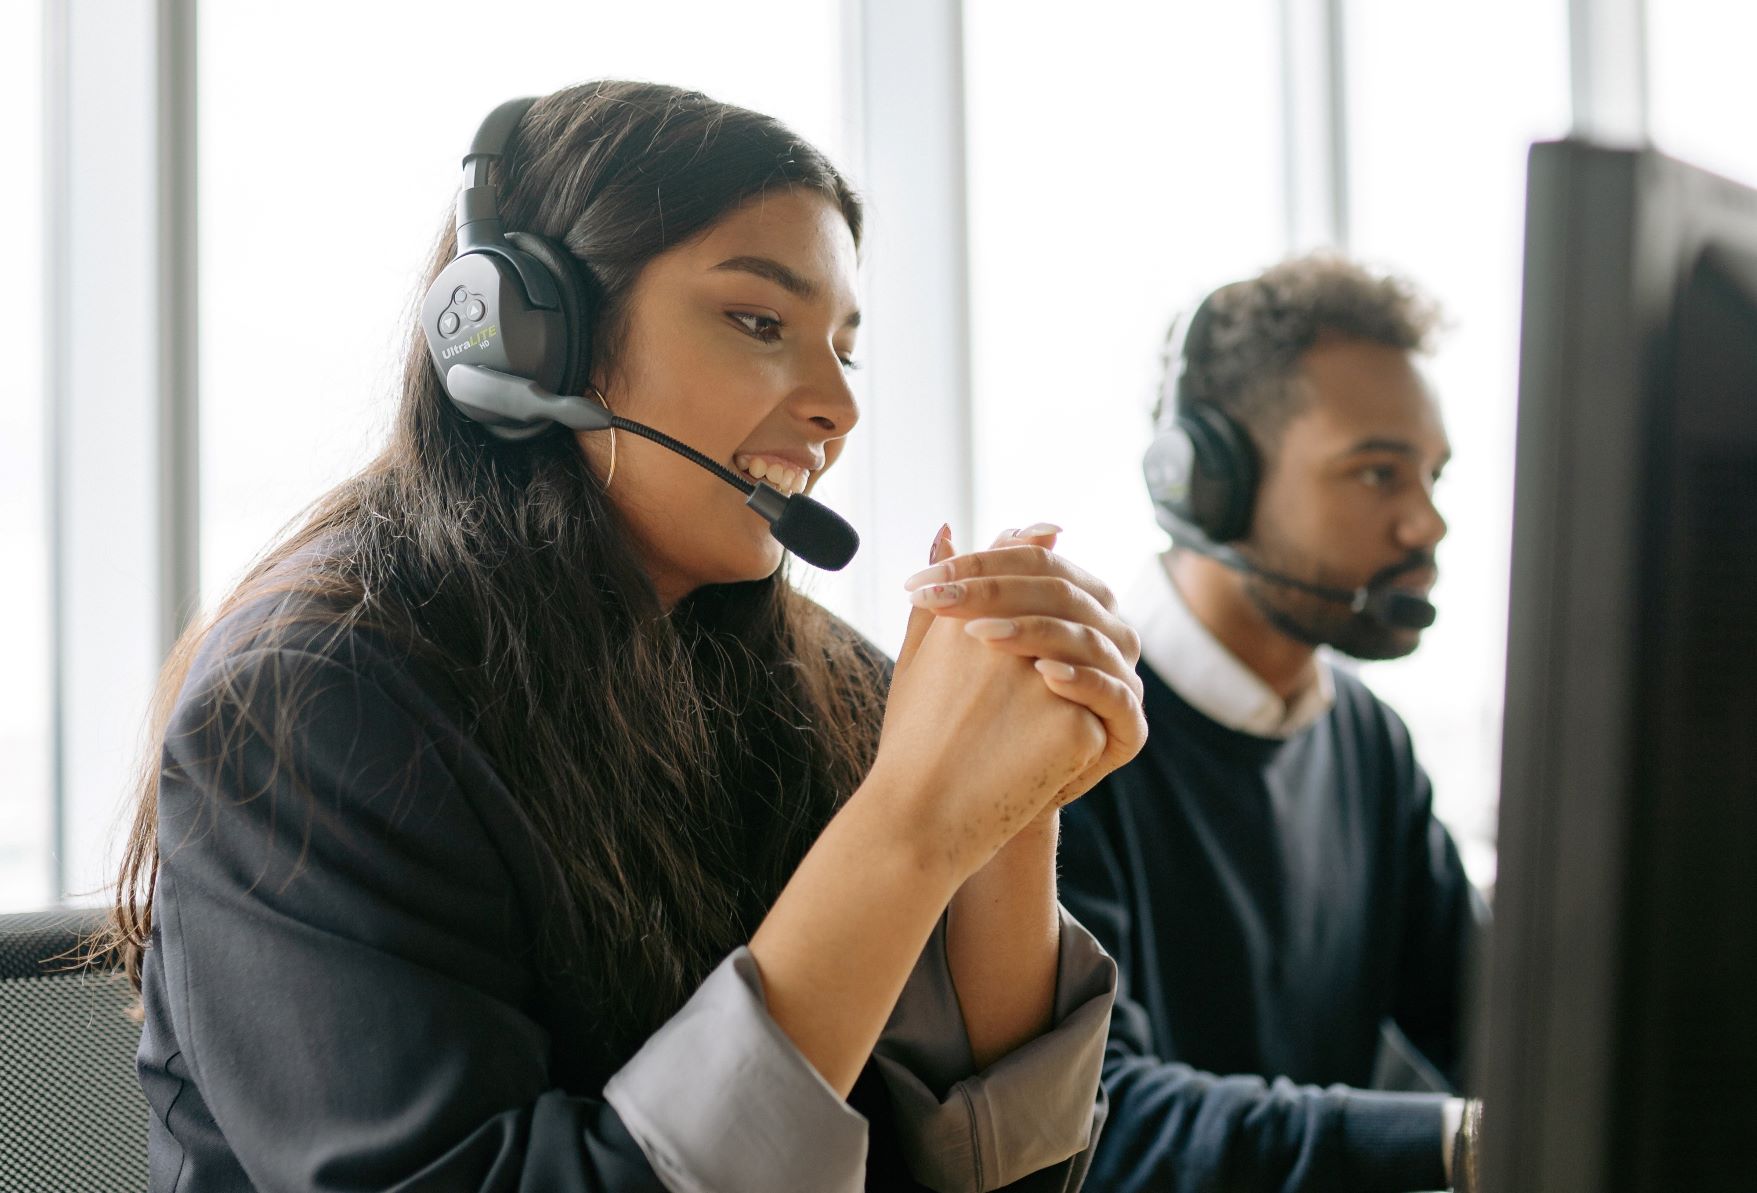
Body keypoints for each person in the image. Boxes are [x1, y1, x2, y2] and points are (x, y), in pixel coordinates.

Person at [107, 81, 1149, 1192]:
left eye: (845, 347)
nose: (836, 404)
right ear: (529, 341)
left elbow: (1002, 1176)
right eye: (760, 323)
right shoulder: (315, 701)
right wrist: (908, 827)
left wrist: (1008, 808)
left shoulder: (809, 675)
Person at [1060, 255, 1489, 1192]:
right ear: (1206, 487)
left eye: (1432, 475)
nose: (1427, 525)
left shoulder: (1368, 743)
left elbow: (1494, 1025)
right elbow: (1098, 1122)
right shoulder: (1065, 733)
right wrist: (1452, 1144)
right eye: (1377, 473)